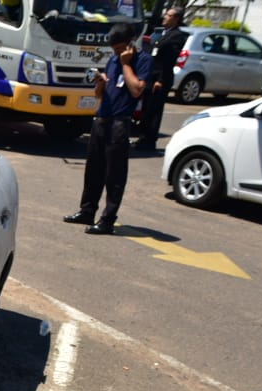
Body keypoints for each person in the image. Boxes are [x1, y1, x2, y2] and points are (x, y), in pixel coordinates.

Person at [62, 22, 153, 234]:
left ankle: (107, 219)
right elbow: (100, 95)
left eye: (120, 48)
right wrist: (100, 82)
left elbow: (137, 89)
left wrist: (126, 64)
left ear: (130, 43)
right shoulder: (113, 60)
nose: (116, 52)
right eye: (114, 49)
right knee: (93, 169)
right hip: (101, 119)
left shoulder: (142, 61)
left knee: (114, 175)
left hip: (120, 123)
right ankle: (87, 211)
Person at [137, 7, 186, 149]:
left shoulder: (177, 36)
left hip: (160, 78)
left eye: (169, 15)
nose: (165, 17)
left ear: (176, 19)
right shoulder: (162, 33)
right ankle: (143, 137)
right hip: (150, 76)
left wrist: (160, 80)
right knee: (146, 109)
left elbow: (168, 61)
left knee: (154, 111)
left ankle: (149, 140)